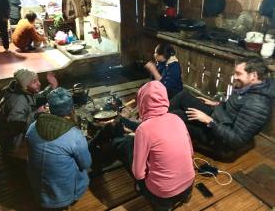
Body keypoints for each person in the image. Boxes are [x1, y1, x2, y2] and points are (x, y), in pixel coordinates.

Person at [107, 81, 195, 211]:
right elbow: (191, 152)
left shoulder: (144, 129)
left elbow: (138, 174)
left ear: (142, 102)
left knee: (130, 155)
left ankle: (153, 198)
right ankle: (183, 198)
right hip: (188, 185)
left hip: (163, 196)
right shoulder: (176, 118)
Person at [169, 56, 275, 161]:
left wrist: (208, 120)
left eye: (238, 73)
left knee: (177, 116)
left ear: (253, 75)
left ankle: (160, 133)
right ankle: (156, 121)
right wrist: (216, 104)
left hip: (221, 140)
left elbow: (236, 140)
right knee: (183, 96)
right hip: (220, 119)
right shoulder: (247, 87)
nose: (235, 76)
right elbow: (234, 108)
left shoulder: (258, 105)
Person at [26, 87, 91, 210]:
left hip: (37, 189)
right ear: (71, 109)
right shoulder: (74, 135)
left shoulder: (33, 126)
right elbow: (86, 163)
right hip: (62, 197)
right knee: (83, 169)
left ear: (49, 107)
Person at [0, 69, 58, 155]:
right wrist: (37, 113)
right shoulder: (18, 100)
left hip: (11, 136)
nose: (39, 83)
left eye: (37, 80)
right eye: (34, 82)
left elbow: (36, 99)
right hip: (11, 143)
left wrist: (52, 87)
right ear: (25, 85)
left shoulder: (21, 89)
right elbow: (17, 125)